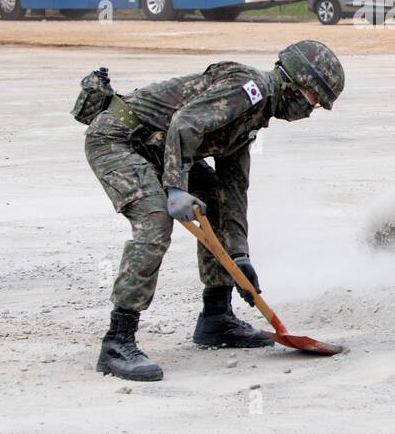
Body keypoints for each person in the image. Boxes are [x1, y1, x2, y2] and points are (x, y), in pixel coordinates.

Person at [84, 40, 345, 381]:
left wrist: (239, 255)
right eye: (314, 99)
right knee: (156, 219)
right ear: (296, 85)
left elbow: (234, 189)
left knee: (216, 199)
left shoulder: (254, 116)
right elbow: (184, 124)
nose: (311, 110)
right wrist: (176, 189)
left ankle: (216, 317)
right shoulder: (248, 90)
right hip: (119, 139)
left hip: (159, 148)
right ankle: (118, 340)